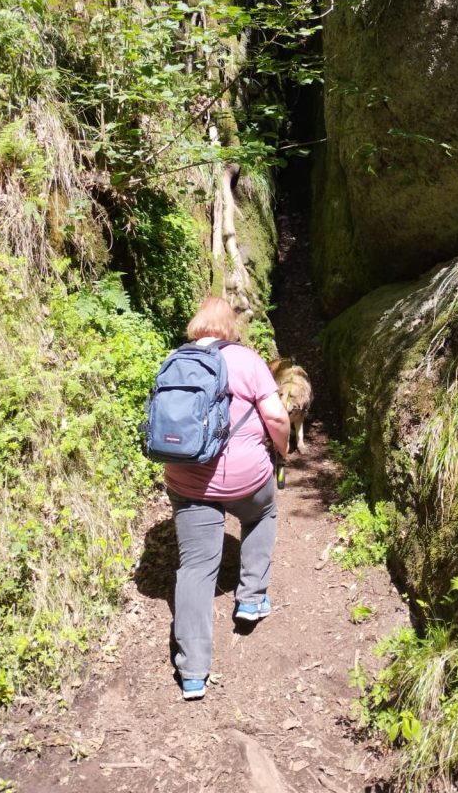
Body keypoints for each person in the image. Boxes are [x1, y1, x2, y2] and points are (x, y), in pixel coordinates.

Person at [165, 296, 290, 701]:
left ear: (196, 325)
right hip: (244, 479)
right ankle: (251, 599)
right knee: (262, 513)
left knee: (196, 568)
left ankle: (193, 673)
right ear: (230, 326)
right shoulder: (247, 359)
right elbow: (275, 416)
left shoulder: (175, 359)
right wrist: (282, 451)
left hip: (187, 480)